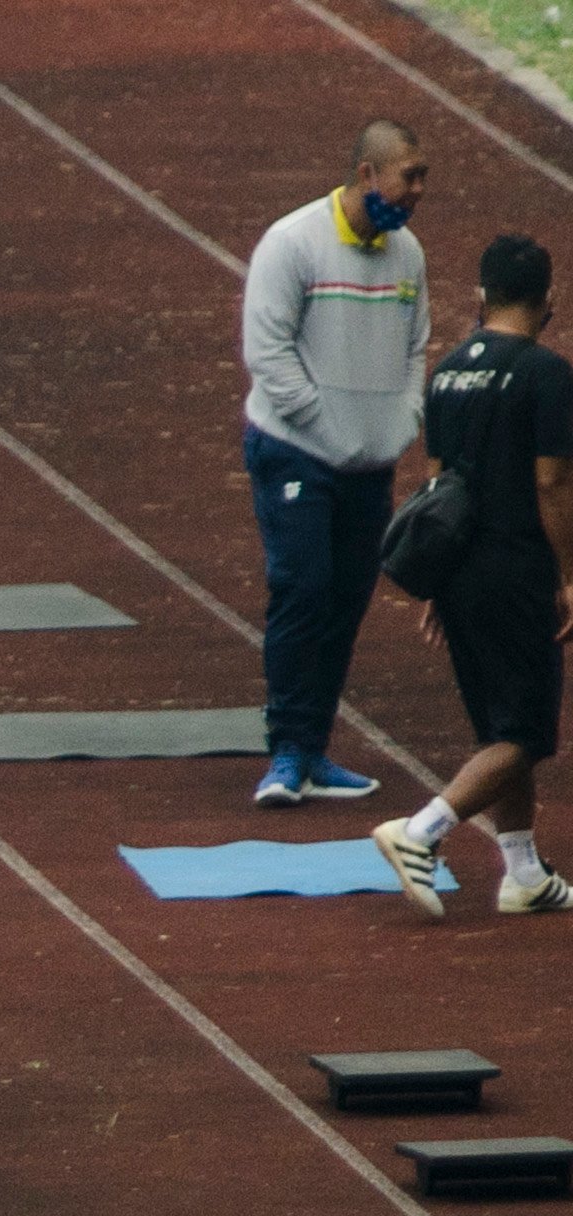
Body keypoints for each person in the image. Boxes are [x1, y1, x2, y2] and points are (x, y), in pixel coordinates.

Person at [378, 233, 573, 919]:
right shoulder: (548, 376)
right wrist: (569, 575)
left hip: (459, 568)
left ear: (481, 295)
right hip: (516, 570)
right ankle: (420, 832)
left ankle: (522, 869)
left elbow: (437, 486)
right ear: (548, 298)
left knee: (501, 725)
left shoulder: (448, 373)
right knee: (524, 733)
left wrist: (437, 581)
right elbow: (551, 483)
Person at [243, 126, 425, 810]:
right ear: (368, 172)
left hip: (367, 465)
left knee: (346, 601)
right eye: (409, 177)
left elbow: (415, 347)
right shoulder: (292, 244)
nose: (417, 193)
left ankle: (314, 746)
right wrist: (331, 424)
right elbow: (268, 353)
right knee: (302, 588)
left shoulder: (407, 256)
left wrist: (401, 420)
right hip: (296, 452)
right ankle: (287, 749)